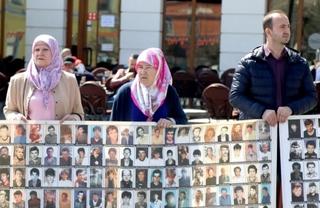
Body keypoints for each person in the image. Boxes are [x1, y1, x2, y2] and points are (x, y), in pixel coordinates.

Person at [229, 10, 317, 126]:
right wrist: (262, 112)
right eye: (282, 27)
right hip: (258, 131)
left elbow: (312, 98)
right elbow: (235, 96)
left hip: (289, 131)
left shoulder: (300, 63)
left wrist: (291, 109)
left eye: (288, 27)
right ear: (268, 31)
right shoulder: (248, 62)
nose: (287, 31)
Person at [4, 34, 84, 121]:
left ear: (54, 52)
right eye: (36, 49)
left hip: (61, 133)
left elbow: (79, 113)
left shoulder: (70, 80)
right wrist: (16, 117)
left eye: (45, 49)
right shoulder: (17, 80)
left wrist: (73, 119)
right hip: (28, 134)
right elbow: (9, 110)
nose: (40, 53)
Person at [110, 47, 187, 127]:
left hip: (160, 139)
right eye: (140, 67)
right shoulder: (125, 92)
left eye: (148, 67)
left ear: (159, 69)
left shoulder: (168, 91)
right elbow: (111, 126)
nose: (143, 72)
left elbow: (182, 119)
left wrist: (170, 121)